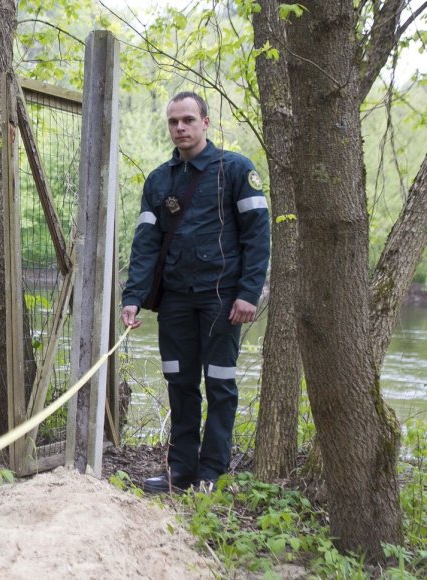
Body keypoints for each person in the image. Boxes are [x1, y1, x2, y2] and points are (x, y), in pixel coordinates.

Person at [121, 92, 270, 494]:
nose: (180, 128)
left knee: (220, 384)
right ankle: (180, 472)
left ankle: (211, 474)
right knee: (179, 384)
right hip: (175, 301)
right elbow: (146, 245)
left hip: (222, 299)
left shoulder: (235, 170)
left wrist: (249, 294)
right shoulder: (159, 180)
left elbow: (258, 237)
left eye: (188, 120)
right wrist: (132, 296)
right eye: (174, 122)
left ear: (206, 122)